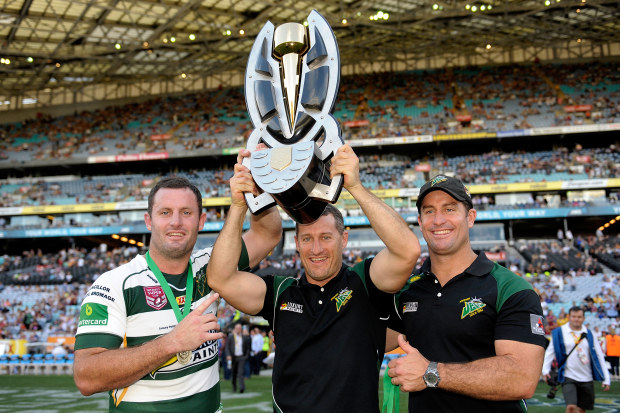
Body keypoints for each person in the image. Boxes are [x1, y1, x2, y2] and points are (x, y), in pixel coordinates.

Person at [207, 144, 420, 412]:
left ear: (344, 239)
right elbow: (220, 278)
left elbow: (408, 251)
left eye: (326, 238)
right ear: (296, 243)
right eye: (307, 239)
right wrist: (240, 204)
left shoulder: (364, 283)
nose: (316, 249)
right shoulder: (281, 292)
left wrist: (355, 187)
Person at [73, 172, 282, 412]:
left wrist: (259, 182)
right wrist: (171, 343)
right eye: (165, 212)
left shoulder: (212, 267)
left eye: (186, 212)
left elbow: (267, 234)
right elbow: (86, 377)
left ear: (201, 221)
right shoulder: (115, 284)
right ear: (148, 220)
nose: (176, 222)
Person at [386, 175, 547, 412]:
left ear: (470, 217)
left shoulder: (510, 288)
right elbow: (368, 339)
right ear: (420, 222)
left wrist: (431, 373)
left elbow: (522, 378)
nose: (439, 220)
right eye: (429, 211)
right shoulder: (409, 290)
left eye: (449, 209)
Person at [542, 306, 610, 412]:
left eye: (579, 317)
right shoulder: (559, 332)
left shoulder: (589, 333)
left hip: (587, 377)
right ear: (569, 317)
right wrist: (545, 370)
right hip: (568, 376)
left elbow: (599, 356)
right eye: (574, 316)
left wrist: (606, 378)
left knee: (582, 410)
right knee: (571, 407)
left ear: (583, 318)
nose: (576, 319)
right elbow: (550, 352)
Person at [225, 323, 251, 393]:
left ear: (241, 329)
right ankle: (234, 387)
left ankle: (242, 387)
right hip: (233, 357)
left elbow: (248, 348)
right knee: (233, 373)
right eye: (237, 328)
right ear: (235, 329)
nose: (238, 330)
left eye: (239, 328)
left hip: (241, 357)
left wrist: (246, 356)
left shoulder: (244, 337)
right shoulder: (231, 337)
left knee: (240, 373)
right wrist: (228, 355)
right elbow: (227, 347)